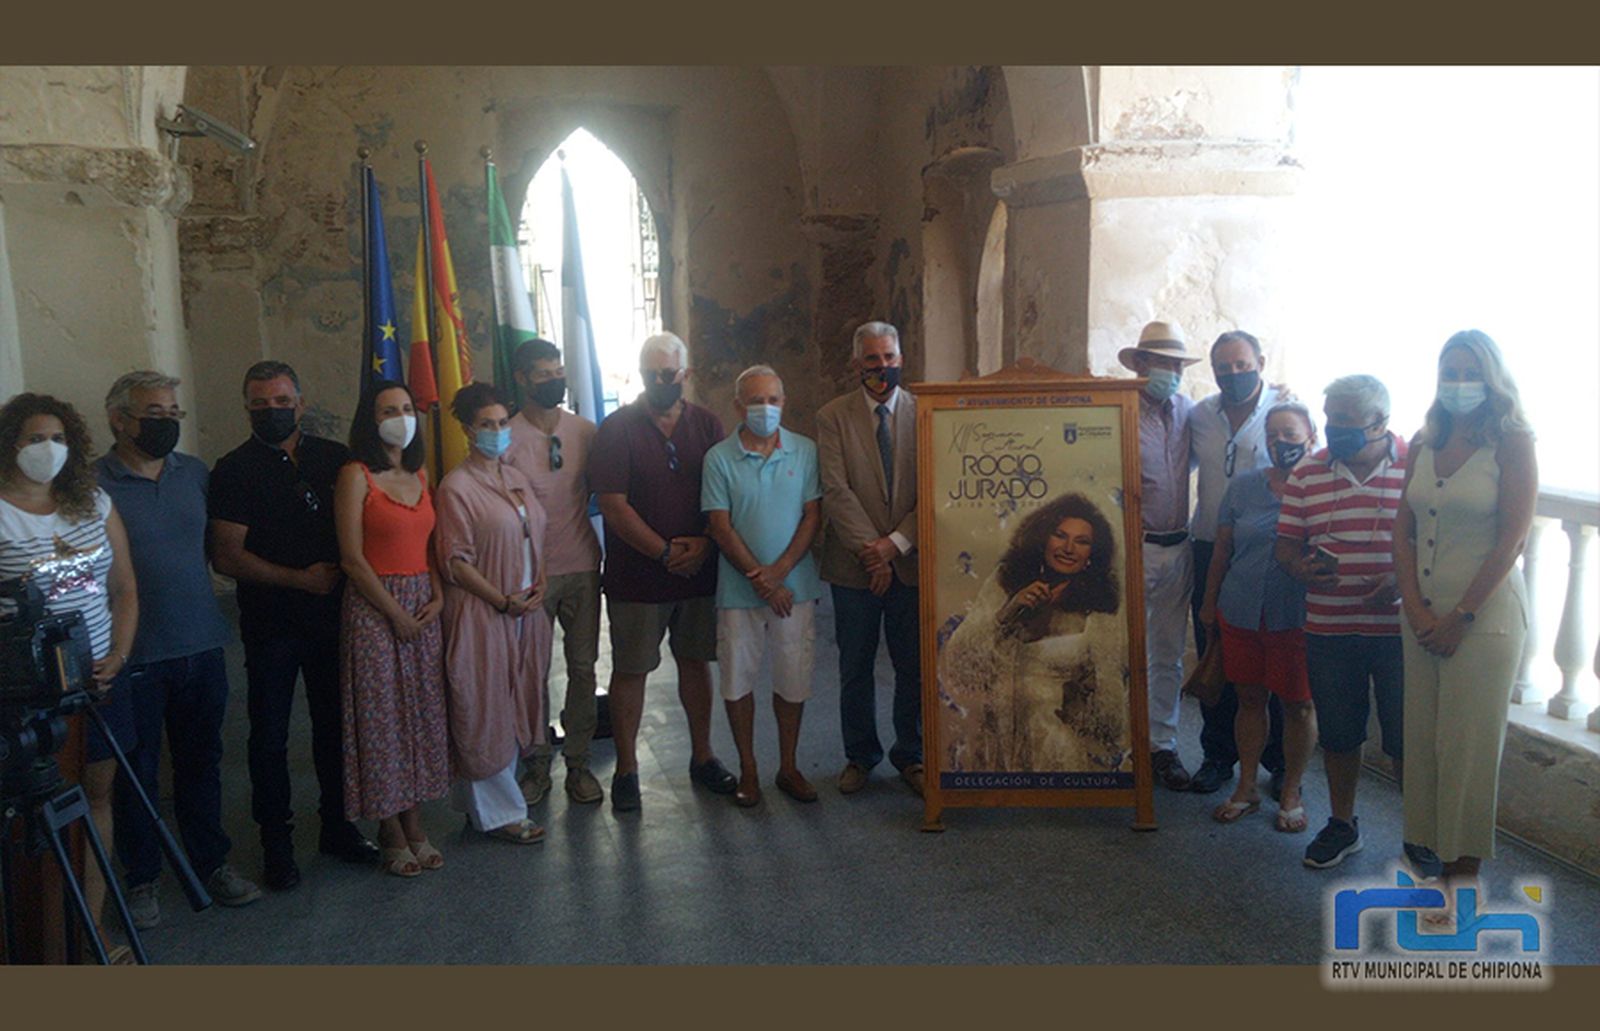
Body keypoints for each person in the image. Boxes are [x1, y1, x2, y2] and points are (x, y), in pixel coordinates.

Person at [94, 372, 259, 932]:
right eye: (152, 412)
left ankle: (211, 862)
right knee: (135, 773)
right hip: (132, 653)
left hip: (201, 641)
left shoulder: (194, 474)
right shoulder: (94, 485)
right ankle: (140, 878)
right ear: (119, 418)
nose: (165, 422)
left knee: (201, 763)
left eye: (172, 412)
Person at [209, 361, 379, 890]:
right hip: (271, 626)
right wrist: (297, 580)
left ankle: (338, 826)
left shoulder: (334, 459)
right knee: (269, 738)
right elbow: (227, 557)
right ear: (247, 408)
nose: (272, 412)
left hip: (335, 621)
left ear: (301, 404)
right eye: (260, 404)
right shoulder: (233, 469)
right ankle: (276, 845)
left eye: (282, 402)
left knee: (335, 729)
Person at [1394, 330, 1535, 922]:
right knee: (1425, 744)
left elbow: (1511, 541)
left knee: (1468, 750)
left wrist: (1460, 617)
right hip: (1422, 617)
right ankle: (1435, 866)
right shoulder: (1426, 439)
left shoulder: (1513, 442)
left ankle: (1462, 885)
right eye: (1448, 372)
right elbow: (1401, 527)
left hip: (1483, 620)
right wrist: (1418, 609)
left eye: (1469, 372)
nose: (1458, 383)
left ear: (1492, 378)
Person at [1, 392, 138, 959]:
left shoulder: (94, 502)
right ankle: (37, 937)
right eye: (35, 438)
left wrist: (120, 655)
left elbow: (124, 587)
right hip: (26, 694)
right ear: (10, 444)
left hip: (99, 679)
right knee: (30, 809)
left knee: (96, 796)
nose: (48, 449)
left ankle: (92, 924)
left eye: (58, 437)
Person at [590, 332, 736, 812]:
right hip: (638, 577)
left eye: (667, 374)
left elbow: (725, 492)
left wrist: (705, 543)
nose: (659, 381)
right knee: (632, 669)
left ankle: (703, 756)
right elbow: (613, 505)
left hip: (699, 572)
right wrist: (663, 552)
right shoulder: (616, 429)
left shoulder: (709, 425)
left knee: (696, 661)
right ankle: (628, 769)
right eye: (651, 373)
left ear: (685, 375)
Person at [1275, 374, 1408, 869]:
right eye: (1329, 420)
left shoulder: (1417, 467)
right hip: (1329, 627)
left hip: (1399, 632)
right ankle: (1342, 823)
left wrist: (1400, 579)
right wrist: (1298, 566)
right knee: (1339, 733)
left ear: (1381, 423)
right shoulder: (1308, 473)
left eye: (1347, 423)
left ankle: (1418, 835)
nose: (1334, 431)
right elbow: (1286, 543)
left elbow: (1435, 541)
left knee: (1406, 740)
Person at [333, 381, 450, 875]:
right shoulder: (356, 475)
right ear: (370, 418)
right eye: (388, 410)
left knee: (419, 716)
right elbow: (352, 560)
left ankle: (416, 823)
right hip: (375, 608)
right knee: (382, 721)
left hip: (422, 603)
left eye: (406, 409)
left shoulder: (420, 474)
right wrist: (394, 613)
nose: (400, 417)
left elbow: (428, 547)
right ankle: (389, 829)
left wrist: (439, 595)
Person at [701, 364, 824, 806]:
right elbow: (720, 525)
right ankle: (748, 769)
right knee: (737, 680)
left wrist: (779, 573)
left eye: (773, 400)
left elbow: (812, 516)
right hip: (739, 593)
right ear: (738, 406)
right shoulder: (718, 458)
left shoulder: (805, 451)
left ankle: (788, 767)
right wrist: (763, 580)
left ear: (784, 403)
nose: (765, 409)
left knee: (793, 679)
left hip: (796, 587)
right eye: (756, 401)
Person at [435, 382, 550, 844]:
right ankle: (502, 813)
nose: (498, 432)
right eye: (487, 424)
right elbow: (455, 561)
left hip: (525, 608)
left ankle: (481, 805)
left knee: (517, 699)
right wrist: (501, 600)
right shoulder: (456, 487)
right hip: (485, 611)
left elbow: (532, 535)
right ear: (467, 429)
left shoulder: (514, 477)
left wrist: (535, 585)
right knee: (484, 708)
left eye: (504, 423)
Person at [941, 493, 1129, 773]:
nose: (1068, 548)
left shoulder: (1102, 606)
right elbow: (960, 667)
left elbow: (1111, 714)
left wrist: (1085, 695)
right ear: (1043, 539)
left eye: (1081, 541)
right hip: (998, 736)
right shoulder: (1006, 580)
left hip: (1057, 741)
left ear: (1092, 554)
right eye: (1060, 535)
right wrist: (1008, 611)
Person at [1198, 402, 1319, 833]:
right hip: (1242, 609)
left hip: (1297, 617)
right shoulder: (1244, 488)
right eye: (1273, 435)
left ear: (1311, 436)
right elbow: (1221, 551)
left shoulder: (1323, 488)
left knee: (1298, 705)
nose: (1281, 442)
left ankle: (1290, 791)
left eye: (1290, 433)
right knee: (1249, 699)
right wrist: (1209, 604)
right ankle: (1246, 786)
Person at [816, 320, 925, 798]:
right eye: (871, 360)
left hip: (911, 562)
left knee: (912, 665)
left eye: (889, 358)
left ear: (900, 359)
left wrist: (895, 544)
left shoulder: (926, 414)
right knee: (855, 666)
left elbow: (937, 490)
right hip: (852, 567)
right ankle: (860, 755)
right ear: (856, 363)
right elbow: (835, 491)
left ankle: (913, 754)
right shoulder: (832, 417)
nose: (881, 367)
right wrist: (872, 552)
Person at [503, 338, 604, 807]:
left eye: (558, 370)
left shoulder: (585, 430)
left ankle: (579, 763)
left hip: (583, 564)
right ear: (522, 379)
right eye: (543, 373)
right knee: (531, 673)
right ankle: (537, 763)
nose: (554, 380)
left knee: (584, 668)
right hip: (529, 574)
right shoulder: (506, 435)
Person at [1188, 331, 1288, 796]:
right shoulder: (1200, 416)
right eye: (1223, 367)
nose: (1233, 374)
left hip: (1264, 554)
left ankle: (1279, 762)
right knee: (1215, 652)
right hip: (1208, 546)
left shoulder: (1284, 415)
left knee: (1275, 659)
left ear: (1261, 362)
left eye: (1241, 364)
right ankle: (1217, 755)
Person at [1118, 320, 1201, 790]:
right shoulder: (1117, 411)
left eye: (1176, 365)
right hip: (1134, 547)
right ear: (1141, 364)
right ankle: (1122, 743)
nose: (1169, 372)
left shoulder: (1191, 413)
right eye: (1161, 363)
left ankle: (1162, 746)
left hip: (1179, 546)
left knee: (1168, 653)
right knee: (1124, 650)